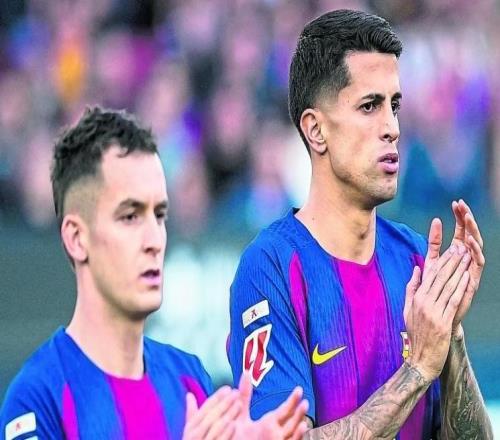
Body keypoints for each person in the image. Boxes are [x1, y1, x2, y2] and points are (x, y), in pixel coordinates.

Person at [228, 9, 492, 439]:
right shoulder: (271, 267)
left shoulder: (415, 260)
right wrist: (416, 371)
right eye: (370, 107)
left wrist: (450, 336)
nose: (392, 128)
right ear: (316, 130)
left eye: (394, 106)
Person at [0, 107, 309, 440]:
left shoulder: (190, 378)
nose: (154, 240)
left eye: (159, 215)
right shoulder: (37, 398)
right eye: (130, 216)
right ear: (77, 238)